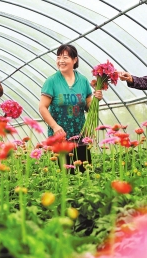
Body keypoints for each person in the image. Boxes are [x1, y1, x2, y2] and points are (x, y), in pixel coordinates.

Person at [39, 44, 103, 172]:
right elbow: (42, 107)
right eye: (58, 57)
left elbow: (88, 107)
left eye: (65, 57)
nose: (61, 61)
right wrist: (55, 126)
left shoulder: (83, 81)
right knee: (64, 175)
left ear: (75, 60)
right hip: (60, 138)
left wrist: (96, 99)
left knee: (84, 173)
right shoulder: (51, 81)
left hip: (80, 135)